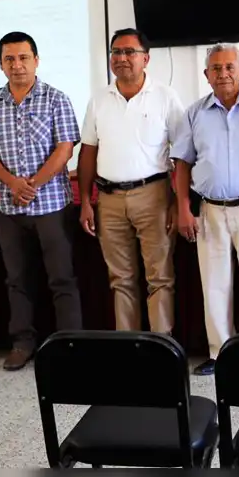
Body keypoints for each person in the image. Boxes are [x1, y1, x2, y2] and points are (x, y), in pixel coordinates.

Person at [0, 31, 82, 371]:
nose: (17, 65)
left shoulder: (56, 98)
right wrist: (12, 183)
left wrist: (33, 184)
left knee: (61, 278)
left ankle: (70, 346)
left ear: (36, 60)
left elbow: (65, 148)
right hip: (10, 208)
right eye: (9, 59)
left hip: (51, 206)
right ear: (1, 65)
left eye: (23, 57)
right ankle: (22, 343)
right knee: (16, 279)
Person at [172, 44, 239, 376]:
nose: (223, 74)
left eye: (230, 67)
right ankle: (220, 353)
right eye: (216, 69)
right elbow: (182, 163)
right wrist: (183, 208)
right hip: (210, 210)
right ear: (206, 75)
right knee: (214, 284)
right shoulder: (193, 114)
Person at [79, 28, 182, 335]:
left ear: (145, 59)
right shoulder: (99, 99)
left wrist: (178, 202)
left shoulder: (165, 97)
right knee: (120, 279)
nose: (121, 58)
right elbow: (88, 152)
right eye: (116, 52)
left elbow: (183, 153)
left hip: (154, 196)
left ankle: (162, 346)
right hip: (109, 200)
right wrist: (85, 201)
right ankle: (129, 346)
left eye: (129, 52)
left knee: (160, 277)